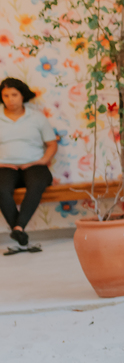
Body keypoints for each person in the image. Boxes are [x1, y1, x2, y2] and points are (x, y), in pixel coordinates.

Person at [0, 77, 58, 250]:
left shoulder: (37, 118)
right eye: (5, 95)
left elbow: (52, 144)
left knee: (37, 184)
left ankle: (18, 228)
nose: (10, 99)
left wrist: (42, 161)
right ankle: (19, 229)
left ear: (22, 95)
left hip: (34, 165)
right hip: (5, 167)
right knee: (1, 189)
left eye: (14, 95)